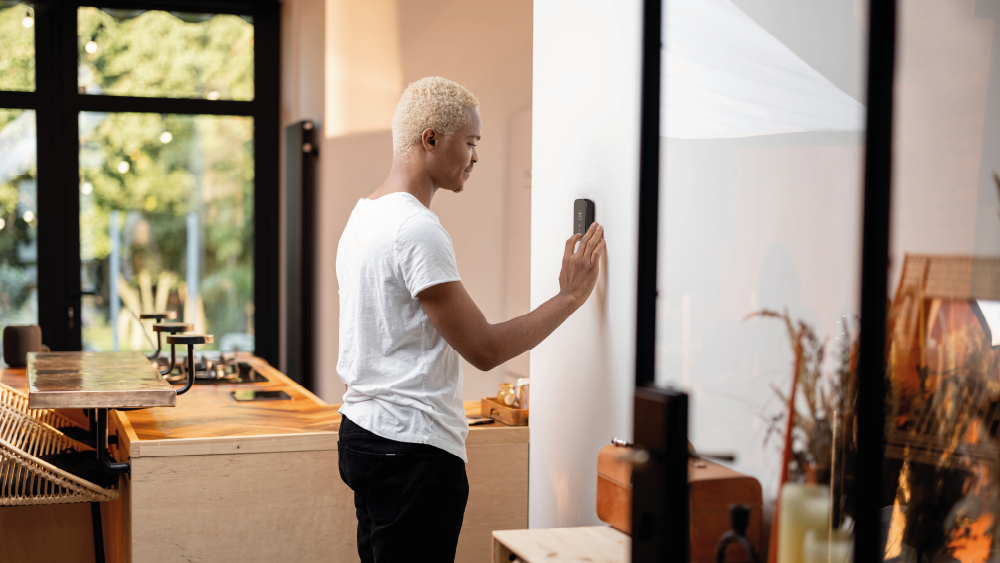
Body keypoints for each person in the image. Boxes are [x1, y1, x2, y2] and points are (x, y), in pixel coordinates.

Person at [336, 76, 606, 563]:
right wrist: (568, 297)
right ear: (431, 139)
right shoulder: (415, 229)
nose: (477, 156)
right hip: (411, 449)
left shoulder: (364, 216)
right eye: (471, 142)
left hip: (364, 434)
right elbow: (483, 350)